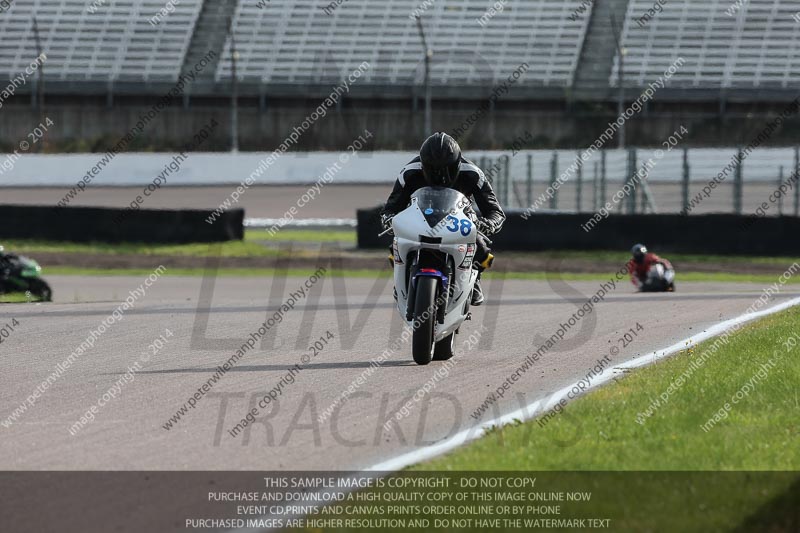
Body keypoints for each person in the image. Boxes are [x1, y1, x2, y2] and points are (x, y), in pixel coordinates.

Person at [380, 132, 505, 306]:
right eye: (432, 169)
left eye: (446, 169)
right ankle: (402, 279)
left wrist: (488, 224)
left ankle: (473, 278)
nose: (440, 175)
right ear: (423, 164)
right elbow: (391, 207)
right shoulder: (409, 173)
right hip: (419, 217)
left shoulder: (473, 174)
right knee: (396, 244)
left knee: (482, 248)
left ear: (457, 164)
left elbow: (495, 211)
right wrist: (389, 218)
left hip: (458, 217)